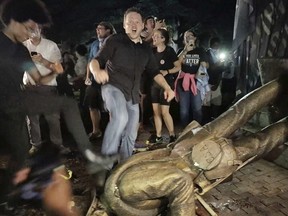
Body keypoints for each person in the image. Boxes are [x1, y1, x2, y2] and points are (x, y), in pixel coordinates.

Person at [92, 77, 288, 216]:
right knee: (244, 121)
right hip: (193, 154)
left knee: (251, 131)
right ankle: (280, 85)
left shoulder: (124, 190)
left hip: (201, 161)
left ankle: (281, 83)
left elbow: (179, 182)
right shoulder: (119, 201)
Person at [0, 0, 116, 212]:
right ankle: (8, 199)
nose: (30, 34)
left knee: (66, 105)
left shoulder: (22, 51)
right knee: (20, 155)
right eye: (28, 28)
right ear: (14, 21)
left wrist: (53, 68)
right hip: (4, 104)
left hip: (18, 100)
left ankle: (91, 157)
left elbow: (39, 78)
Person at [89, 7, 175, 163]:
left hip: (133, 95)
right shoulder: (115, 40)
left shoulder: (146, 49)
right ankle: (105, 167)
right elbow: (96, 60)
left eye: (137, 21)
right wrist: (96, 72)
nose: (133, 25)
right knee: (120, 117)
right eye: (130, 22)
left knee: (131, 133)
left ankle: (123, 165)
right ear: (124, 25)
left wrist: (168, 88)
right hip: (113, 87)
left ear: (142, 25)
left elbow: (155, 72)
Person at [22, 24, 70, 155]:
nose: (32, 31)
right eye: (28, 28)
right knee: (32, 119)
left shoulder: (51, 45)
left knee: (53, 117)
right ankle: (35, 145)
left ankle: (58, 145)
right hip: (29, 87)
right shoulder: (22, 46)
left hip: (48, 87)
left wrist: (42, 60)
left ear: (40, 29)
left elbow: (59, 69)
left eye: (34, 28)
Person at [146, 28, 180, 144]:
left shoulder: (169, 51)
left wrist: (167, 72)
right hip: (154, 85)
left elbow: (178, 67)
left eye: (156, 36)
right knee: (156, 112)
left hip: (167, 84)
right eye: (153, 36)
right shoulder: (152, 52)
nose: (153, 38)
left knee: (165, 111)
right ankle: (159, 135)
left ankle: (172, 134)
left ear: (163, 39)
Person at [84, 21, 115, 142]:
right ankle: (96, 130)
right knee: (92, 103)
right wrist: (88, 76)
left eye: (100, 29)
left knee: (112, 106)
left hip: (110, 78)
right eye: (97, 29)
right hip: (95, 79)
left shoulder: (114, 43)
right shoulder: (94, 44)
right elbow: (90, 61)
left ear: (108, 30)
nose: (98, 31)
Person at [175, 29, 209, 127]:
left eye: (190, 36)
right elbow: (177, 63)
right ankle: (185, 131)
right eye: (186, 37)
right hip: (183, 82)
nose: (188, 38)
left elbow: (206, 66)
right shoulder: (181, 51)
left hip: (197, 82)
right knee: (184, 110)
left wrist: (202, 69)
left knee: (197, 108)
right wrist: (186, 50)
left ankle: (196, 130)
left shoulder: (200, 50)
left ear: (195, 38)